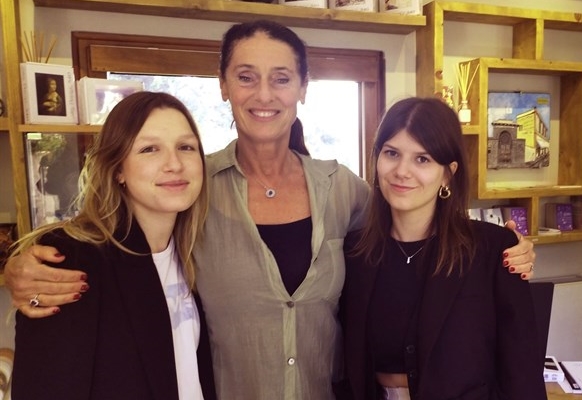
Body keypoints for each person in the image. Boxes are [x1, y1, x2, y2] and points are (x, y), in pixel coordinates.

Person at [3, 20, 535, 400]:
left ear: (302, 87)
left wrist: (504, 248)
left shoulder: (341, 189)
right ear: (223, 85)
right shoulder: (192, 186)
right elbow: (118, 233)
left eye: (281, 77)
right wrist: (23, 265)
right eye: (246, 76)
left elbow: (412, 219)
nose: (265, 93)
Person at [9, 91, 217, 399]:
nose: (174, 164)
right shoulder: (73, 256)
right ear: (118, 169)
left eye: (186, 147)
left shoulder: (194, 252)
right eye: (149, 149)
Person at [340, 97, 546, 399]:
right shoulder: (354, 252)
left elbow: (522, 371)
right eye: (392, 153)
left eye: (422, 159)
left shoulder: (492, 250)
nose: (402, 171)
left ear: (448, 173)